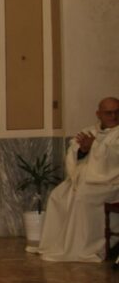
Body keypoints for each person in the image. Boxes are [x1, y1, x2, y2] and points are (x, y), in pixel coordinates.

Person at [38, 97, 119, 262]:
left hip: (111, 182)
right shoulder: (91, 131)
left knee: (82, 197)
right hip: (86, 180)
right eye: (108, 113)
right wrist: (82, 149)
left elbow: (113, 156)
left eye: (117, 112)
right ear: (98, 114)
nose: (114, 116)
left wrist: (94, 146)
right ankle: (59, 243)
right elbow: (74, 149)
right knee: (57, 195)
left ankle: (86, 247)